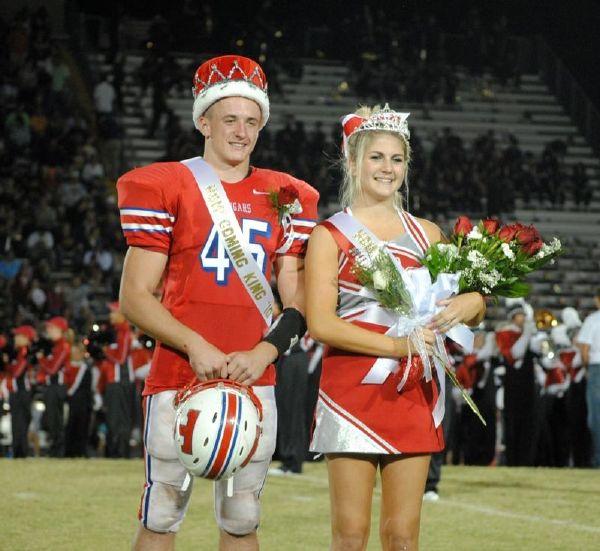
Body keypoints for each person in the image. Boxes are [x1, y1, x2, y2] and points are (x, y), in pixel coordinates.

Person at [116, 55, 319, 550]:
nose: (242, 131)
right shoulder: (165, 184)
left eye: (252, 121)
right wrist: (195, 345)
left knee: (242, 516)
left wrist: (265, 352)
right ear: (203, 120)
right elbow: (134, 297)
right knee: (161, 513)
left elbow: (297, 302)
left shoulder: (286, 193)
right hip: (180, 372)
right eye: (230, 119)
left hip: (255, 375)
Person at [305, 105, 486, 550]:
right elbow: (321, 323)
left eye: (397, 159)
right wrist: (397, 346)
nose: (388, 169)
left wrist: (472, 301)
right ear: (351, 161)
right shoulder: (329, 236)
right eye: (376, 157)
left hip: (413, 390)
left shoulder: (429, 234)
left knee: (403, 536)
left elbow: (468, 306)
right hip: (352, 389)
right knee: (351, 536)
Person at [495, 301, 540, 466]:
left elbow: (541, 352)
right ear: (513, 317)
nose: (524, 318)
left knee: (528, 422)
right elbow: (515, 355)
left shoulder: (526, 333)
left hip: (528, 385)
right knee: (514, 422)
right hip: (514, 385)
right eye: (521, 315)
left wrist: (532, 334)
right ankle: (514, 459)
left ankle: (527, 459)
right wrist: (527, 334)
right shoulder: (505, 333)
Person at [37, 316, 71, 458]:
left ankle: (58, 451)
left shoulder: (63, 346)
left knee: (56, 419)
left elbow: (52, 369)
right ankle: (55, 450)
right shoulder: (55, 346)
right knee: (51, 419)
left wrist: (41, 359)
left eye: (51, 328)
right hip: (52, 386)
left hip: (57, 387)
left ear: (60, 330)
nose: (48, 330)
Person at [577, 288, 600, 468]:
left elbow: (584, 351)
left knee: (596, 418)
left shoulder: (592, 320)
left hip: (596, 369)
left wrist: (587, 369)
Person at [5, 325, 36, 457]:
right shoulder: (18, 352)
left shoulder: (25, 352)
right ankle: (18, 452)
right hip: (16, 392)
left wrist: (8, 364)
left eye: (19, 336)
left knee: (21, 423)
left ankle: (21, 453)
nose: (16, 338)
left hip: (22, 392)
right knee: (16, 423)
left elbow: (16, 372)